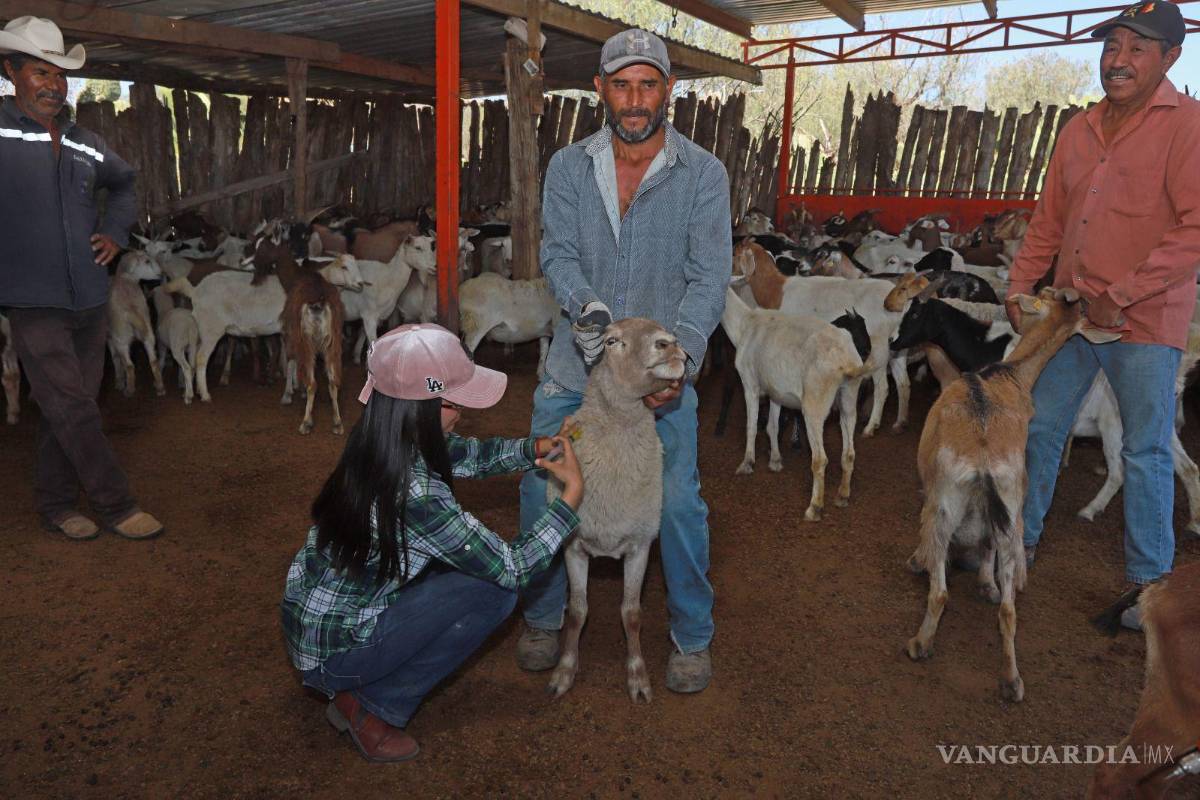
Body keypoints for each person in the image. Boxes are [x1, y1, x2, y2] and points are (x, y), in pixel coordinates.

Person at [515, 28, 731, 693]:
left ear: (667, 89)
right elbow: (557, 255)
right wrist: (592, 321)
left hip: (662, 377)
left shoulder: (704, 174)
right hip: (575, 373)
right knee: (538, 488)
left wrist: (681, 358)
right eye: (621, 85)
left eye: (648, 85)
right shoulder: (569, 167)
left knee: (677, 504)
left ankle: (692, 637)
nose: (635, 101)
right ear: (600, 90)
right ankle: (545, 613)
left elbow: (708, 275)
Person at [280, 324, 583, 763]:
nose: (460, 408)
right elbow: (514, 566)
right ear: (419, 408)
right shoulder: (416, 493)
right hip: (332, 653)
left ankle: (356, 685)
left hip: (311, 622)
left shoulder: (380, 440)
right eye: (450, 400)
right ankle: (372, 706)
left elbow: (465, 455)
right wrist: (570, 499)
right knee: (495, 591)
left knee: (460, 569)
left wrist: (534, 449)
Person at [1005, 1, 1200, 630]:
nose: (1119, 60)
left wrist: (1124, 292)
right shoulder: (1079, 129)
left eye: (1138, 49)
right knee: (1038, 427)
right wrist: (1016, 285)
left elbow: (1195, 227)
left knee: (1144, 450)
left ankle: (1149, 589)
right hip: (1069, 315)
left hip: (1143, 321)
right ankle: (1016, 549)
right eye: (1113, 46)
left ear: (1170, 57)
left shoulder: (1188, 126)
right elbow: (1050, 221)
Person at [0, 17, 163, 541]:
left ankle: (56, 504)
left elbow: (124, 185)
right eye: (40, 73)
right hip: (31, 298)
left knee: (69, 406)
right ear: (11, 72)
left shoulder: (85, 140)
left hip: (92, 296)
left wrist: (115, 232)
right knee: (70, 403)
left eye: (60, 75)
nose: (52, 85)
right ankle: (116, 504)